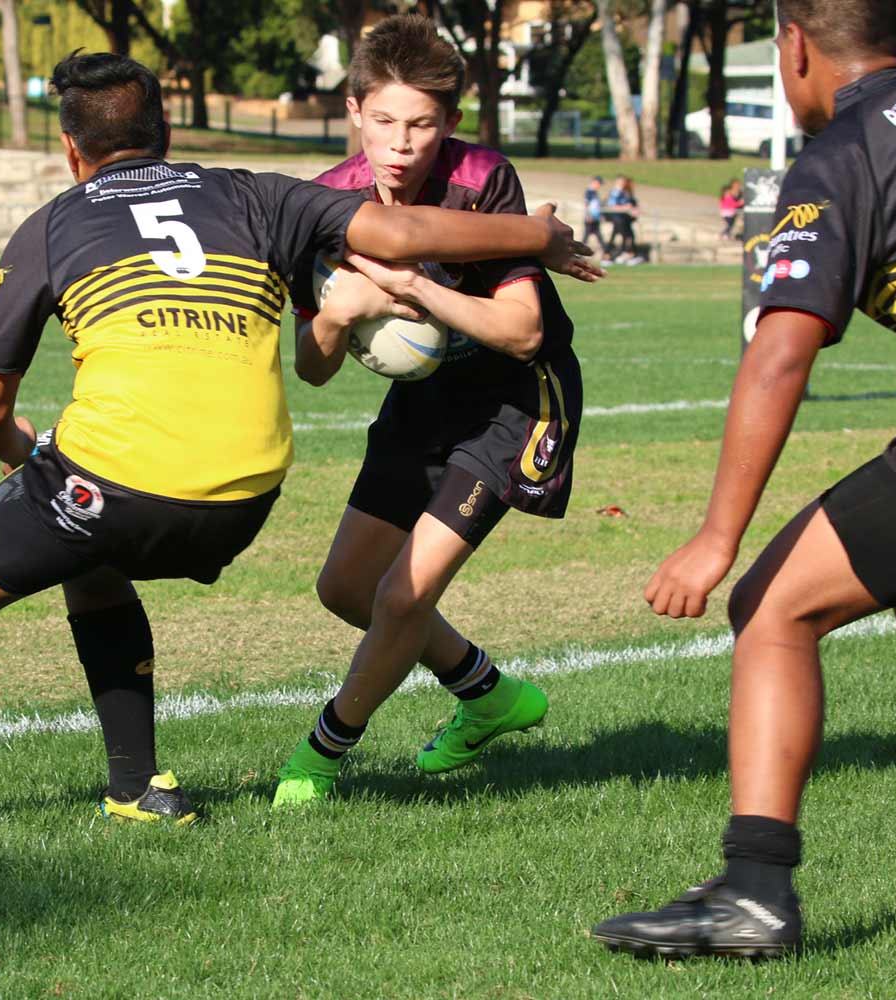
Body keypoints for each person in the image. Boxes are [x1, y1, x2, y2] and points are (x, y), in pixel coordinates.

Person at [0, 51, 599, 835]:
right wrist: (542, 236)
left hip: (117, 484)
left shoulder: (50, 224)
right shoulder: (254, 191)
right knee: (91, 561)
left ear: (71, 151)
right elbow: (403, 234)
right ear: (168, 134)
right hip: (245, 498)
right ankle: (138, 788)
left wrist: (21, 453)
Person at [592, 0, 896, 959]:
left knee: (772, 609)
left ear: (793, 45)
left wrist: (716, 538)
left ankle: (753, 892)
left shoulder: (846, 148)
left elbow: (780, 354)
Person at [272, 14, 581, 807]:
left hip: (518, 401)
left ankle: (321, 754)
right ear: (353, 111)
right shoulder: (325, 203)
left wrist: (409, 285)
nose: (401, 145)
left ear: (450, 121)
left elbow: (522, 331)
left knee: (403, 596)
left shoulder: (481, 179)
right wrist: (337, 315)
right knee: (347, 587)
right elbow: (311, 368)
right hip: (426, 397)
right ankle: (490, 696)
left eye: (421, 125)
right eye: (383, 122)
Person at [605, 175, 642, 264]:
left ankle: (623, 255)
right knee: (623, 237)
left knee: (626, 237)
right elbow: (612, 206)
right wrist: (625, 207)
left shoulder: (623, 193)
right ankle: (609, 256)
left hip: (623, 219)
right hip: (618, 219)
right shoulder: (616, 192)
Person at [584, 175, 612, 260]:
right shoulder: (589, 192)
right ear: (595, 182)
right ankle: (606, 254)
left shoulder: (594, 192)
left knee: (597, 237)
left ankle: (606, 254)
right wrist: (588, 215)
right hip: (591, 218)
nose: (599, 186)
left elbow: (596, 206)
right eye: (599, 183)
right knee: (586, 237)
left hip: (595, 218)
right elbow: (587, 205)